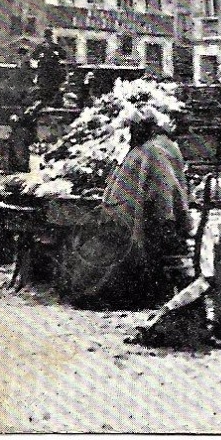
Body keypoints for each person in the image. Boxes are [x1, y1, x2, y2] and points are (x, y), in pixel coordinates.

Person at [68, 107, 192, 309]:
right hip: (142, 218)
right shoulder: (150, 148)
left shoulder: (155, 149)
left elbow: (163, 191)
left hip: (150, 219)